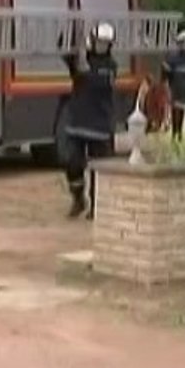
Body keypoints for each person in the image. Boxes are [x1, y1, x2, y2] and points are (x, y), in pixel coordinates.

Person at [61, 22, 117, 220]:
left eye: (105, 43)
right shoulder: (81, 61)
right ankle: (78, 199)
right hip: (77, 122)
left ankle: (96, 206)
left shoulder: (110, 66)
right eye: (99, 42)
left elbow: (98, 82)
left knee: (98, 168)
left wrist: (82, 66)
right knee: (72, 164)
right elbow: (66, 55)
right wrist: (70, 35)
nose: (101, 47)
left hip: (99, 125)